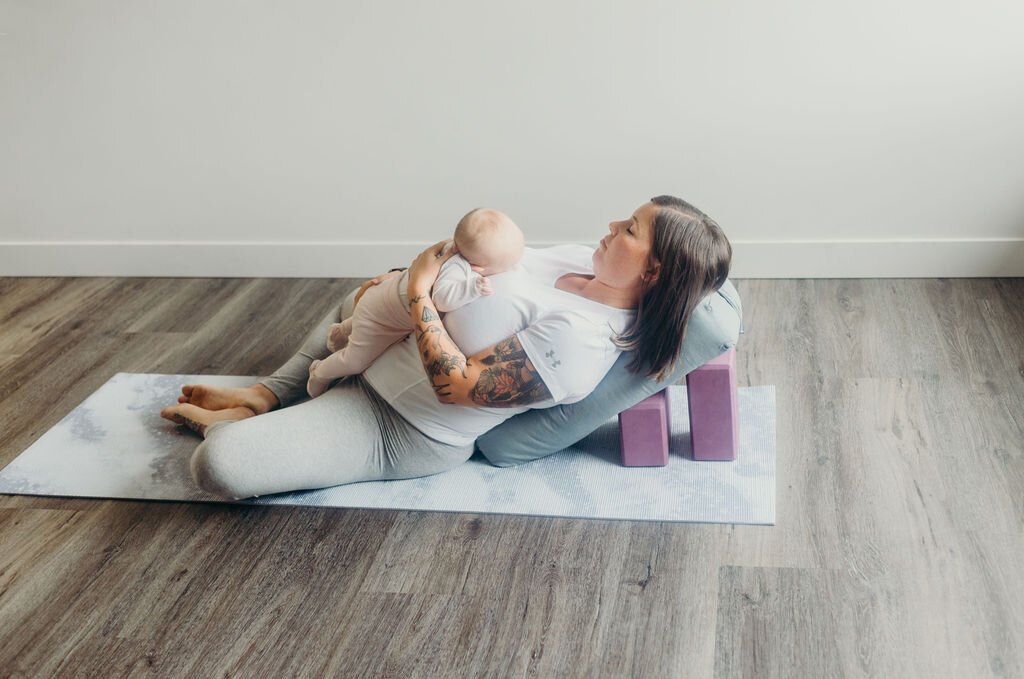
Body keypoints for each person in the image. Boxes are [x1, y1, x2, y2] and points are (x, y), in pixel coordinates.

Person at [159, 195, 732, 499]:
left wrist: (416, 295)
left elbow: (457, 388)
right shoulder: (583, 262)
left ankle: (244, 425)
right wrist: (405, 285)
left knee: (220, 467)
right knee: (353, 302)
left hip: (397, 422)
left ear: (653, 272)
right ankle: (266, 396)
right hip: (386, 345)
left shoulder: (581, 344)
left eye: (630, 228)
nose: (612, 224)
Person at [307, 207, 524, 398]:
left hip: (381, 300)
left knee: (360, 321)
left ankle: (338, 334)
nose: (515, 266)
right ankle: (319, 372)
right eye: (509, 265)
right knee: (355, 360)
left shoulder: (452, 247)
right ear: (478, 267)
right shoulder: (457, 270)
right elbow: (442, 299)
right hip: (381, 319)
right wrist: (472, 288)